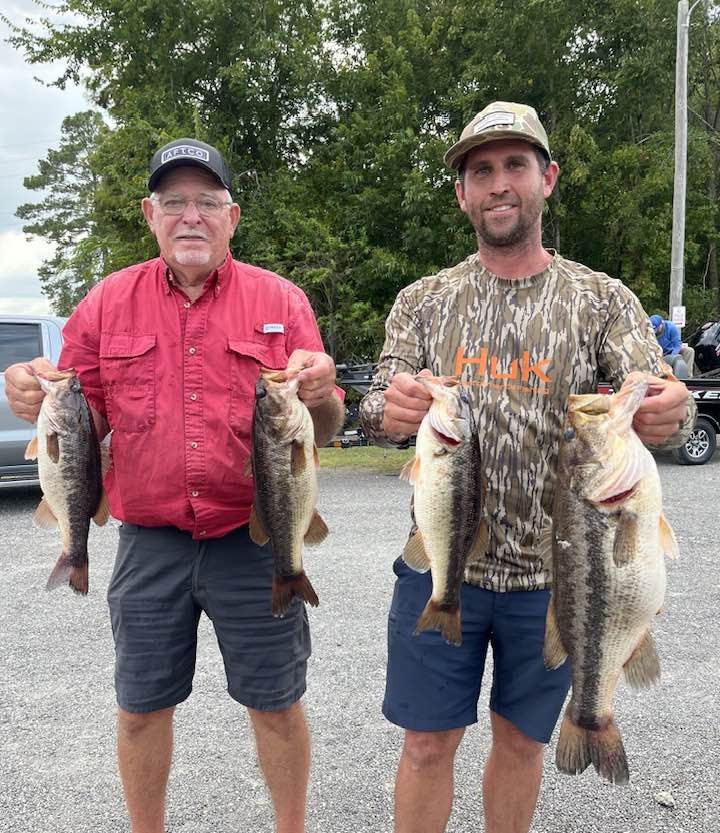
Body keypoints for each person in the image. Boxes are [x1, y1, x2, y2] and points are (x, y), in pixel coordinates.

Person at [359, 101, 695, 833]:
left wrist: (675, 412)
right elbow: (372, 406)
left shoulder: (603, 299)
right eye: (482, 170)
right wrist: (388, 409)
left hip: (558, 576)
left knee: (519, 743)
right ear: (462, 192)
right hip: (442, 565)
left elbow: (660, 392)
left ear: (548, 177)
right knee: (425, 745)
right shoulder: (422, 302)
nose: (499, 183)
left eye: (516, 165)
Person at [5, 138, 344, 833]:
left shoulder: (281, 300)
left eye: (207, 202)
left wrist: (322, 392)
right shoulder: (105, 304)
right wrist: (33, 395)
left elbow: (327, 426)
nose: (191, 216)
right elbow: (81, 410)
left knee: (277, 704)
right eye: (174, 202)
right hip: (148, 542)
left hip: (256, 539)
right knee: (139, 706)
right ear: (150, 215)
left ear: (233, 215)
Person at [649, 313, 691, 378]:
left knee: (689, 351)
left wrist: (673, 355)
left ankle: (688, 376)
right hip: (659, 355)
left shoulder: (671, 327)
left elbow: (677, 345)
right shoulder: (649, 331)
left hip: (671, 351)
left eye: (656, 328)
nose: (655, 331)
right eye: (653, 329)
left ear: (661, 324)